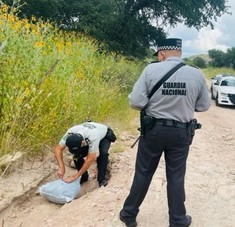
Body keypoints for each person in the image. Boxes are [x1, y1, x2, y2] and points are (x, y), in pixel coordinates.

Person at [119, 38, 211, 227]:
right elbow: (203, 106)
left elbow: (136, 102)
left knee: (143, 173)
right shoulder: (196, 74)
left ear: (161, 54)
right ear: (179, 53)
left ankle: (128, 215)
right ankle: (178, 220)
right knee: (176, 176)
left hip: (154, 130)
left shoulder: (150, 70)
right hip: (181, 133)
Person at [54, 121, 116, 187]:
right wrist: (61, 166)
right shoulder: (70, 132)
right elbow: (58, 149)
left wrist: (75, 176)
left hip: (103, 135)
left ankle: (101, 180)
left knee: (103, 154)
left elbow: (89, 160)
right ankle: (84, 177)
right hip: (87, 134)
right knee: (76, 157)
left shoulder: (93, 137)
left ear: (82, 143)